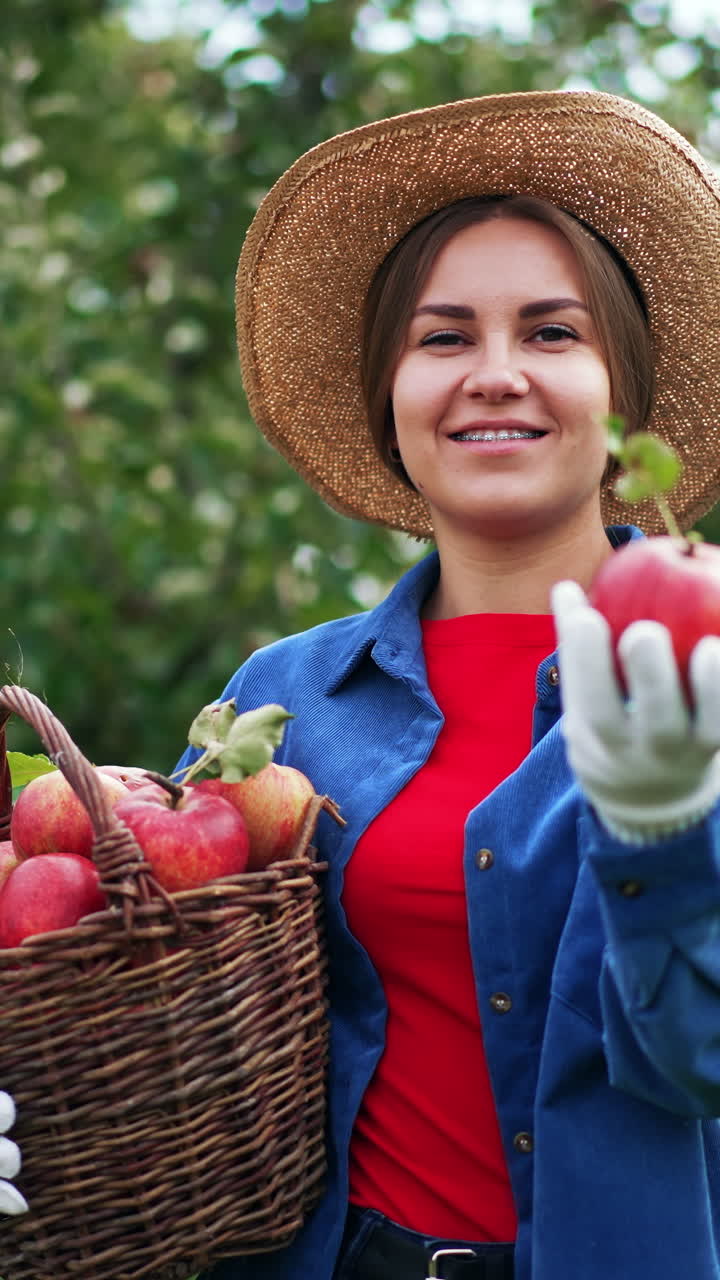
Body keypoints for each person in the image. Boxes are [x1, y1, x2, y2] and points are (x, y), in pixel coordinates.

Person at [5, 90, 720, 1280]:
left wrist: (666, 843)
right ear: (394, 398)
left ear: (624, 393)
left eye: (553, 332)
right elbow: (156, 996)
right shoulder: (284, 699)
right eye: (444, 338)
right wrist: (37, 1075)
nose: (495, 374)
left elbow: (698, 1056)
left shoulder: (705, 675)